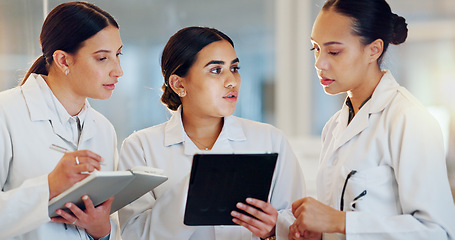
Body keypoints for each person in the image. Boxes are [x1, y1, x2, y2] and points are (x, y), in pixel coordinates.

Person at [117, 26, 306, 240]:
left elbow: (298, 224)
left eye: (234, 68)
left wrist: (274, 230)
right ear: (178, 84)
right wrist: (193, 190)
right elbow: (134, 235)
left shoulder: (270, 140)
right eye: (216, 70)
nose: (231, 81)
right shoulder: (141, 147)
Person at [288, 0, 455, 239]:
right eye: (315, 48)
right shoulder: (334, 127)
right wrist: (320, 233)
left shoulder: (408, 119)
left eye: (334, 51)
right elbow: (338, 222)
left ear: (373, 50)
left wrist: (341, 222)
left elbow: (438, 232)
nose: (319, 63)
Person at [0, 2, 123, 239]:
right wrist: (48, 187)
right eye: (102, 58)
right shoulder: (6, 112)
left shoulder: (103, 129)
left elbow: (110, 221)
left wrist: (102, 230)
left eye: (118, 54)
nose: (118, 70)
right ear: (63, 61)